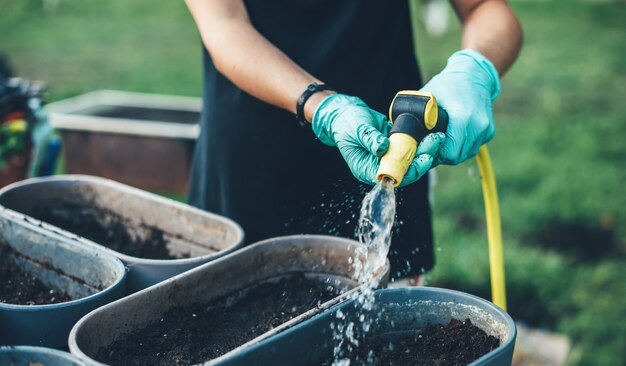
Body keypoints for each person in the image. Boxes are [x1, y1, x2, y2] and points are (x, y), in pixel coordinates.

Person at [185, 0, 522, 281]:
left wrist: (474, 68)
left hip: (393, 151)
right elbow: (225, 27)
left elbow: (485, 8)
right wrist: (323, 107)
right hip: (253, 167)